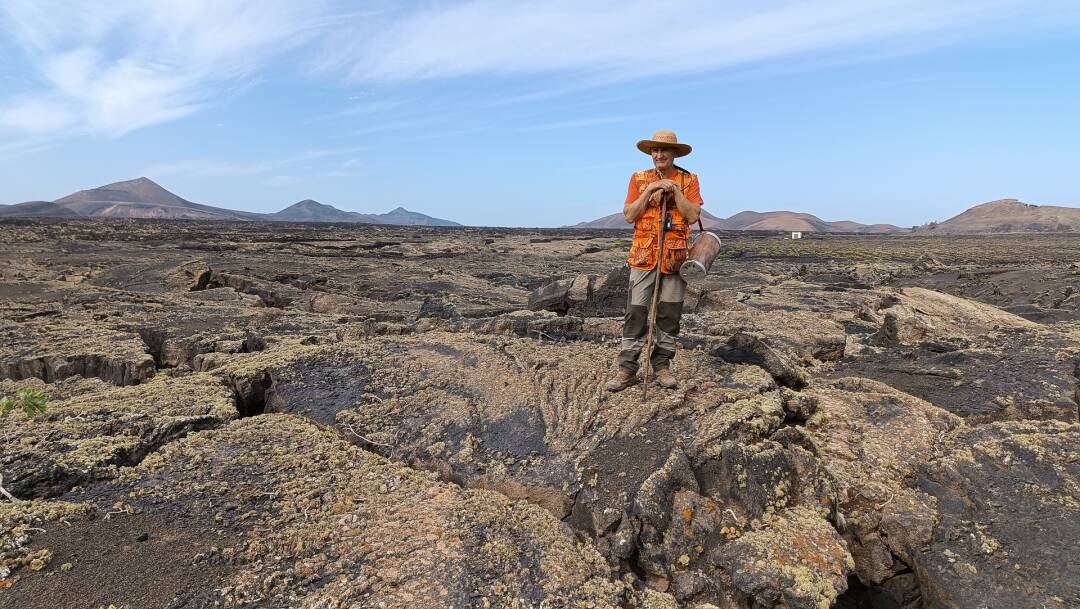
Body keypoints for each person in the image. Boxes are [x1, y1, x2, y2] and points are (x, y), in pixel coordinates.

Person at [606, 130, 703, 392]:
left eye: (664, 151)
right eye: (655, 151)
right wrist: (650, 190)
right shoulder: (639, 179)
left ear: (674, 154)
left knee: (669, 314)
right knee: (635, 313)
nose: (658, 155)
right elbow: (630, 214)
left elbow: (692, 215)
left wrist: (674, 192)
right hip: (643, 257)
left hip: (674, 258)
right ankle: (627, 369)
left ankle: (662, 366)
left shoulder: (688, 179)